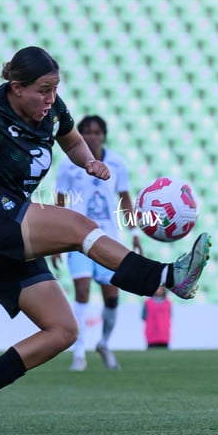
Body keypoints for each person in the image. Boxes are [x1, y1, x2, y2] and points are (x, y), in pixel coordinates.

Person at [0, 46, 211, 433]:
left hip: (7, 226)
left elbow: (70, 140)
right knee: (77, 226)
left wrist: (88, 161)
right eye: (43, 90)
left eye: (55, 89)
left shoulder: (51, 110)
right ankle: (166, 278)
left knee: (63, 330)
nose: (51, 99)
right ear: (16, 87)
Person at [52, 115, 143, 372]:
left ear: (103, 135)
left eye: (97, 132)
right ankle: (78, 352)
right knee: (81, 291)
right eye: (87, 132)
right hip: (78, 238)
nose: (92, 136)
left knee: (111, 297)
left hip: (109, 239)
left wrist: (134, 232)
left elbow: (125, 199)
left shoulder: (116, 162)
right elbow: (60, 201)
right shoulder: (69, 166)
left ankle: (103, 343)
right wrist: (55, 240)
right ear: (79, 135)